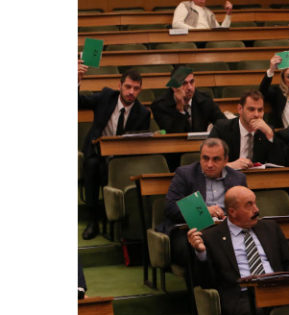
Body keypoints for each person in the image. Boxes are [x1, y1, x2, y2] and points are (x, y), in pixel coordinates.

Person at [187, 186, 289, 315]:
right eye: (249, 205)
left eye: (255, 203)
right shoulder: (212, 237)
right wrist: (201, 254)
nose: (256, 210)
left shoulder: (270, 228)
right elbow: (206, 282)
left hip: (278, 289)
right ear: (232, 212)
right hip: (243, 297)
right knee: (265, 313)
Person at [78, 61, 151, 240]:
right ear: (120, 86)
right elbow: (79, 102)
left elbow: (138, 146)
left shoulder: (143, 113)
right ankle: (93, 221)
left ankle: (116, 221)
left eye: (136, 88)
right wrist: (76, 81)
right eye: (128, 87)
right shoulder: (106, 96)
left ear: (140, 90)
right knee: (92, 166)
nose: (131, 92)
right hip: (96, 152)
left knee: (110, 169)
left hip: (121, 160)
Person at [160, 138, 247, 269]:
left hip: (226, 230)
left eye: (216, 159)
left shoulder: (237, 178)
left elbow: (247, 208)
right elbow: (170, 208)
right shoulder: (185, 174)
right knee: (193, 249)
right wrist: (203, 211)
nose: (209, 164)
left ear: (225, 160)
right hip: (191, 230)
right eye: (205, 158)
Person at [208, 90, 278, 169]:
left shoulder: (267, 131)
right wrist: (230, 165)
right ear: (240, 109)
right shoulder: (222, 128)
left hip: (258, 176)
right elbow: (207, 163)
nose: (256, 115)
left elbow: (279, 166)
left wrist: (270, 135)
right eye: (251, 109)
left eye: (260, 110)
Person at [151, 66, 226, 134]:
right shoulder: (160, 105)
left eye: (192, 82)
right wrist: (180, 109)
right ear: (174, 87)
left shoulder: (205, 100)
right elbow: (173, 136)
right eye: (184, 83)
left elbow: (224, 125)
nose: (190, 88)